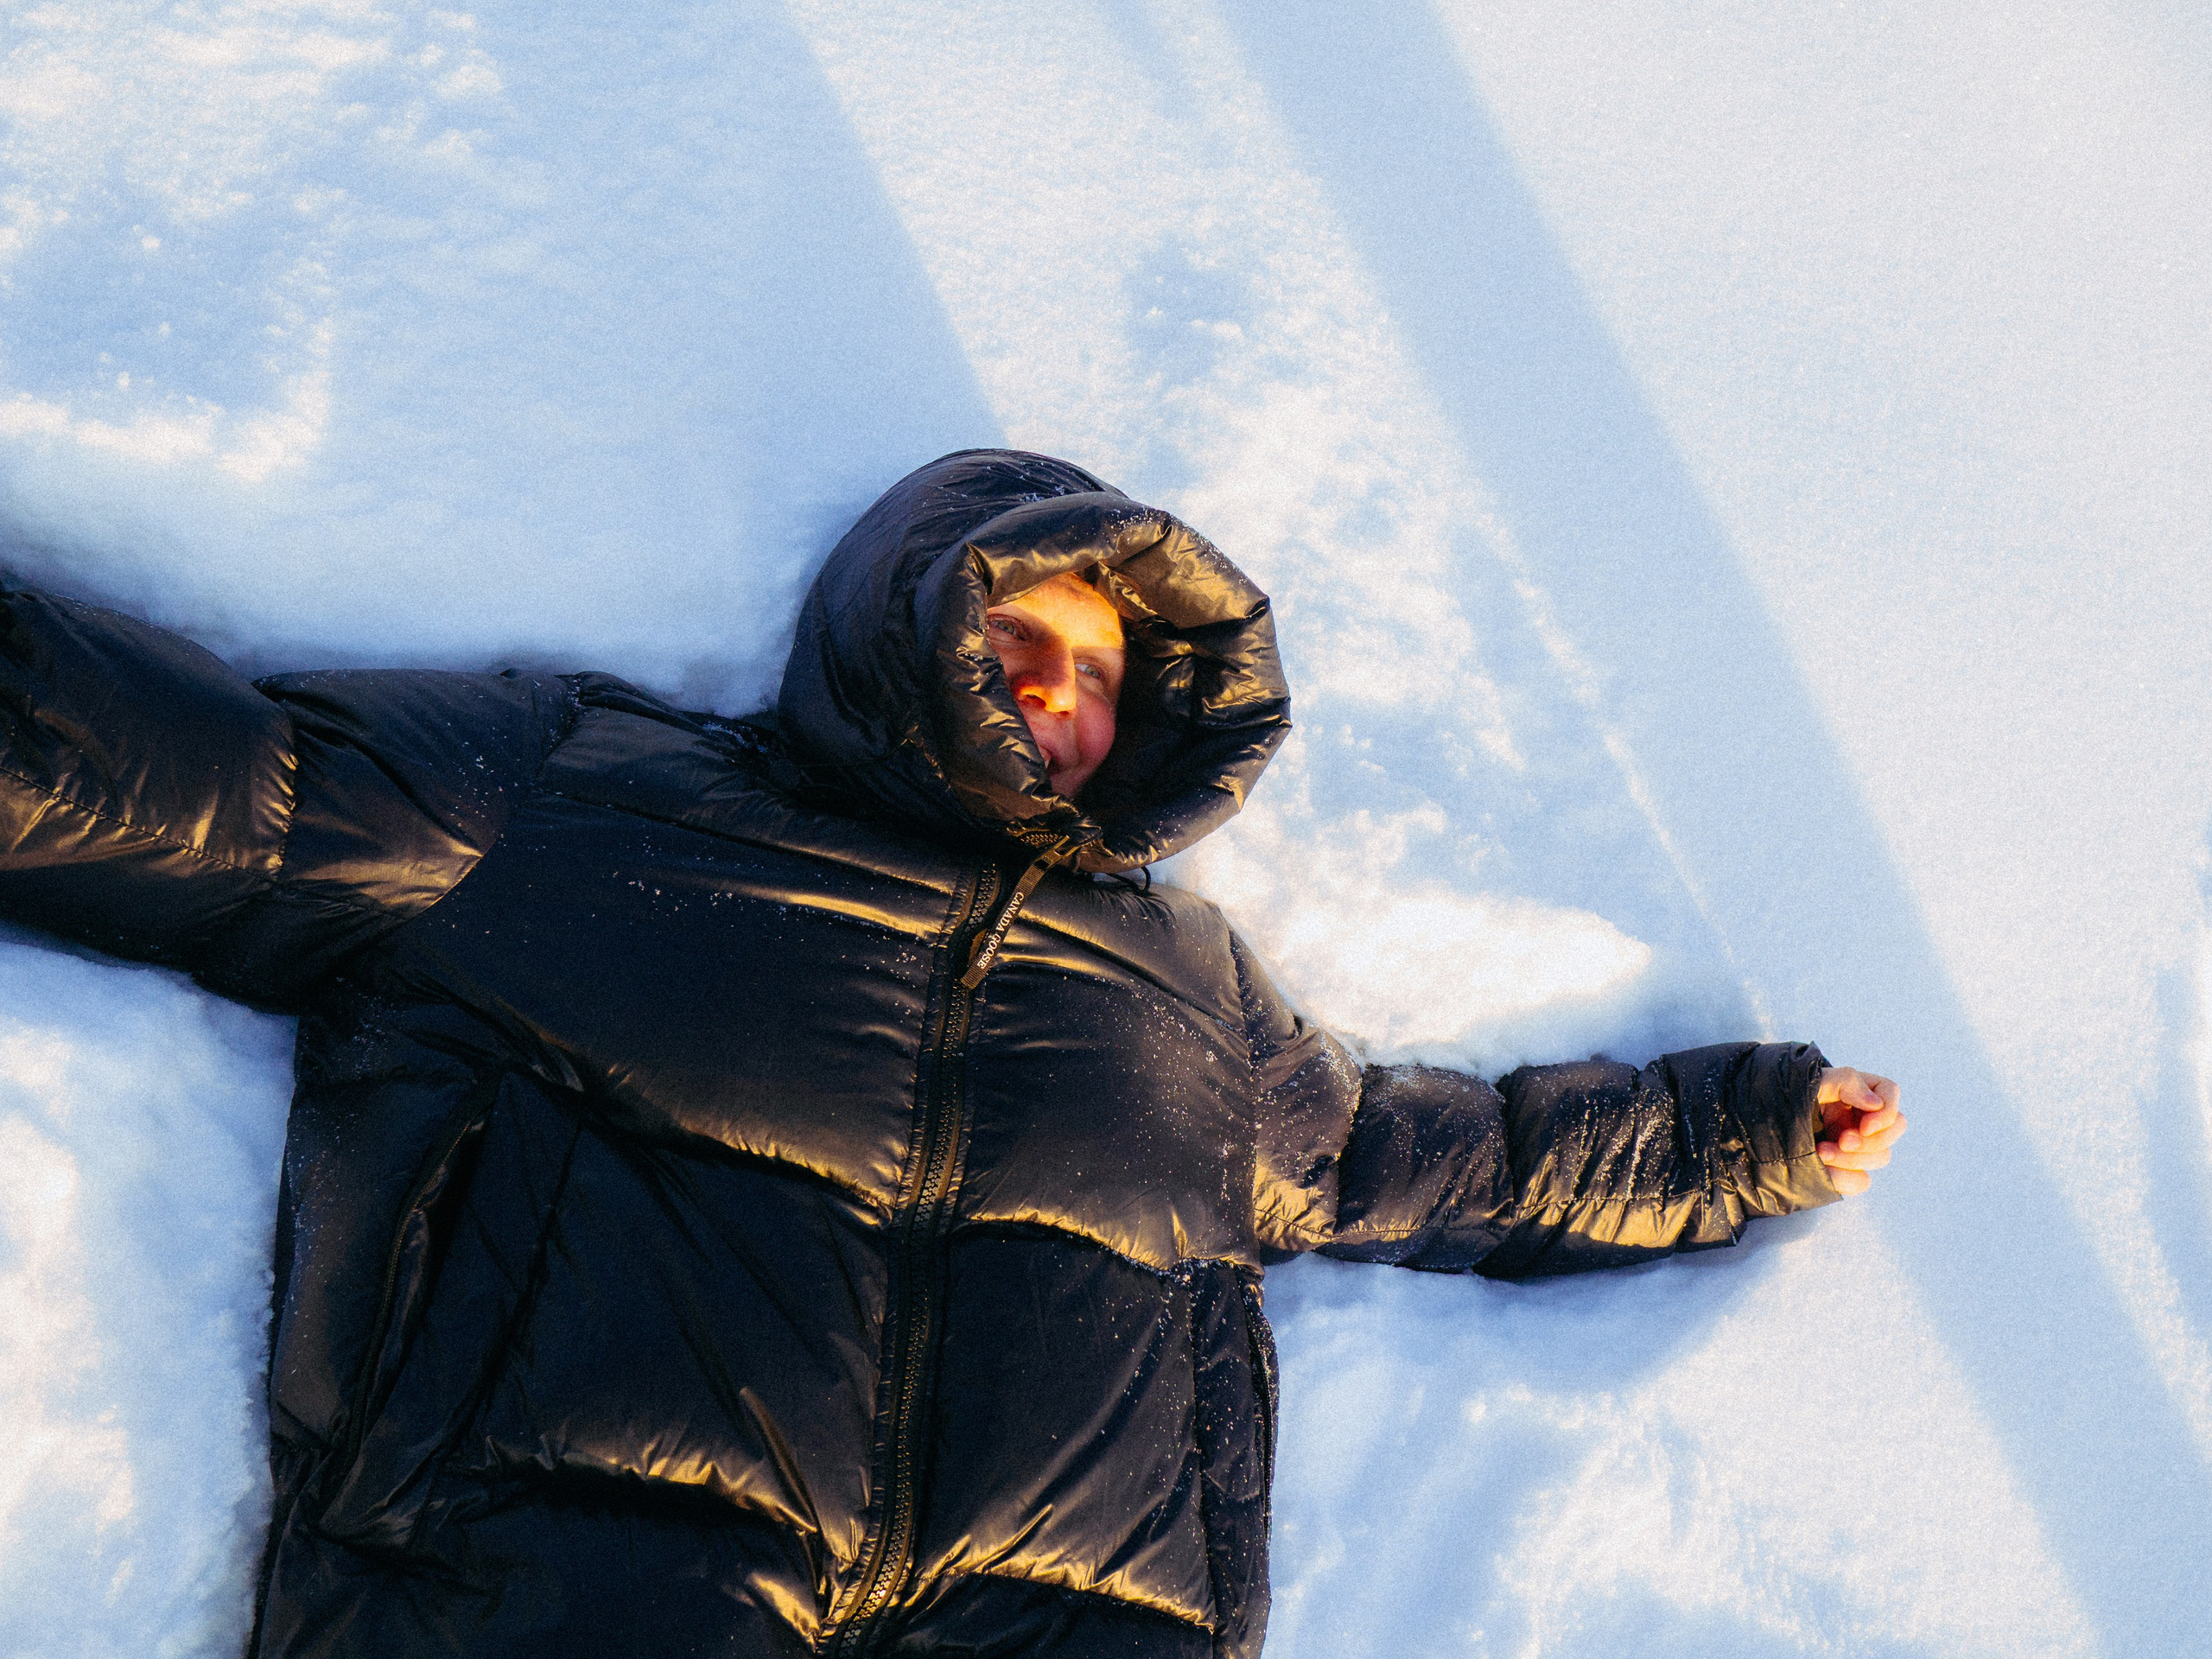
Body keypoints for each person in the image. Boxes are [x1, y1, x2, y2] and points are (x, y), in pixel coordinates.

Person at [0, 448, 1901, 1658]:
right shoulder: (589, 798)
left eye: (1101, 680)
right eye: (1027, 633)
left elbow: (1440, 1160)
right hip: (564, 1587)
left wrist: (1732, 1136)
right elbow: (234, 795)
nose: (1061, 695)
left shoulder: (1189, 996)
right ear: (902, 625)